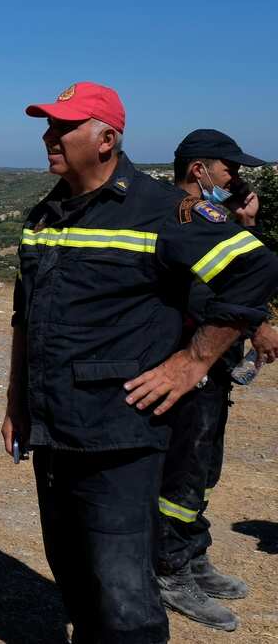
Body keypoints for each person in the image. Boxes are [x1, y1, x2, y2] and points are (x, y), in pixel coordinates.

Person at [1, 82, 278, 644]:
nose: (48, 136)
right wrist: (15, 402)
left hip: (120, 436)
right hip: (53, 430)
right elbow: (25, 317)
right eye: (49, 125)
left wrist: (193, 361)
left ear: (105, 139)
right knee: (75, 578)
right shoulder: (46, 214)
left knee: (125, 599)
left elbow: (256, 269)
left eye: (63, 126)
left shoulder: (159, 210)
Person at [155, 129, 278, 631]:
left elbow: (245, 281)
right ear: (199, 169)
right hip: (190, 360)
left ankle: (192, 553)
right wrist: (256, 324)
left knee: (204, 468)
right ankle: (169, 569)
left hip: (213, 363)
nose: (237, 179)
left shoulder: (216, 217)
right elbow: (208, 294)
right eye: (229, 169)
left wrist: (247, 223)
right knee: (184, 470)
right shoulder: (183, 216)